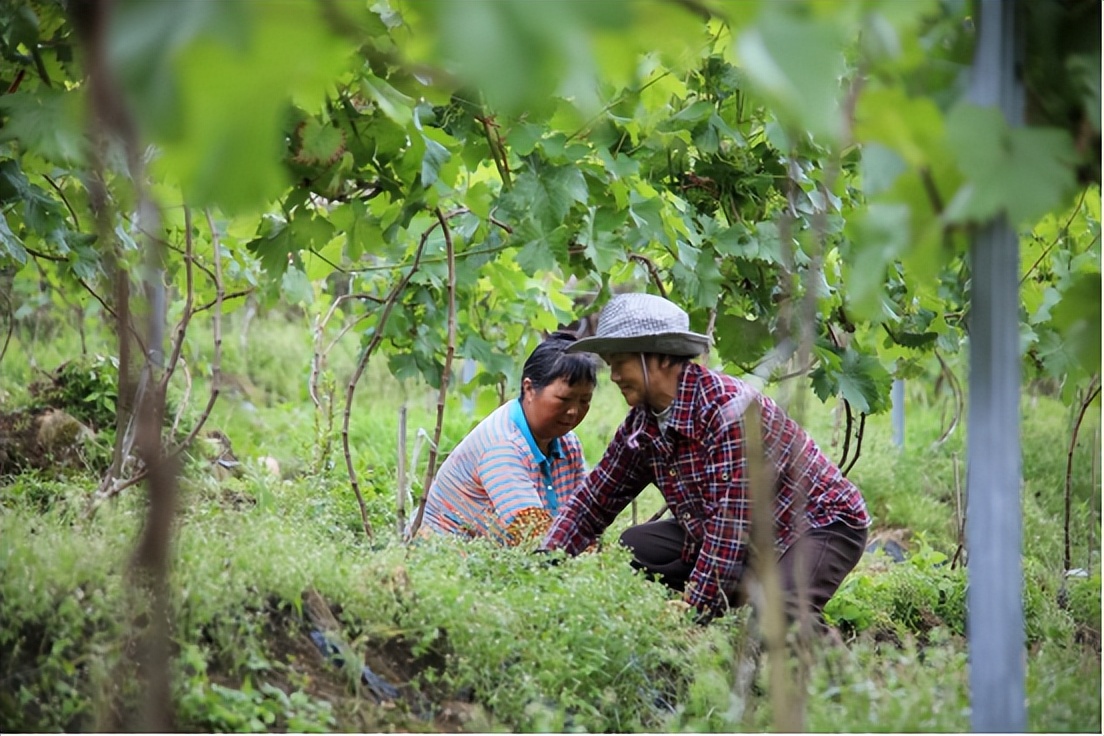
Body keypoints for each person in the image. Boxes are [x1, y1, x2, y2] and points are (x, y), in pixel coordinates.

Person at [540, 293, 870, 629]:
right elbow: (593, 501)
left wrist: (692, 608)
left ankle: (840, 672)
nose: (613, 376)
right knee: (635, 548)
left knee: (779, 616)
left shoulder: (732, 414)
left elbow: (730, 528)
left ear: (662, 359)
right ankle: (737, 601)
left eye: (621, 363)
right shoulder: (643, 425)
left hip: (817, 523)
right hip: (744, 532)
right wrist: (543, 563)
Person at [416, 332, 598, 545]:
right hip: (450, 559)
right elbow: (533, 536)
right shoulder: (503, 445)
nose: (573, 411)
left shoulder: (569, 444)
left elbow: (584, 518)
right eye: (564, 399)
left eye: (585, 400)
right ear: (529, 389)